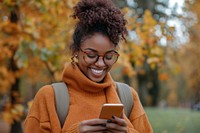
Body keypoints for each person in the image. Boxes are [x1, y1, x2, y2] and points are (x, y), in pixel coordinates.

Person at [24, 0, 153, 132]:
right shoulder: (49, 97)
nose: (100, 63)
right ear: (76, 51)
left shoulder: (128, 97)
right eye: (91, 55)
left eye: (109, 56)